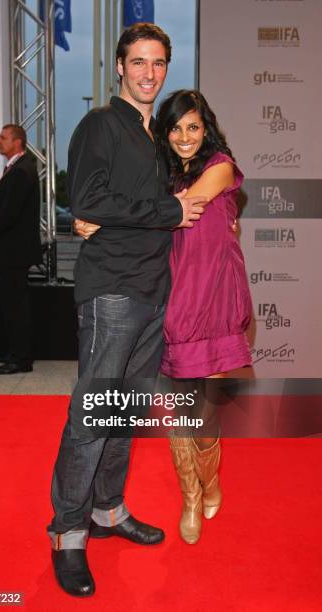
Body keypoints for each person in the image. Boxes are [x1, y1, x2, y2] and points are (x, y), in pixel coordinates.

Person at [48, 25, 207, 598]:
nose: (149, 72)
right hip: (112, 291)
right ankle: (68, 530)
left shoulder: (157, 137)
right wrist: (166, 210)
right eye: (137, 61)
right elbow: (87, 199)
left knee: (122, 416)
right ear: (119, 67)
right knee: (92, 416)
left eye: (158, 63)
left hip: (153, 295)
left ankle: (108, 510)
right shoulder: (101, 125)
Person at [155, 89, 252, 544]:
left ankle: (211, 482)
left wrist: (114, 219)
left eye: (193, 126)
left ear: (206, 128)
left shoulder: (220, 168)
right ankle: (191, 496)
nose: (185, 136)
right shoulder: (160, 174)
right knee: (180, 409)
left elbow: (182, 210)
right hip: (171, 300)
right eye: (175, 128)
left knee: (204, 410)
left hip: (210, 300)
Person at [0, 124, 42, 375]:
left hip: (13, 251)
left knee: (15, 306)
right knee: (12, 305)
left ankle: (20, 358)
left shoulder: (21, 171)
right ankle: (16, 352)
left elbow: (8, 213)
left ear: (17, 142)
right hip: (12, 250)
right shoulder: (19, 169)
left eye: (3, 137)